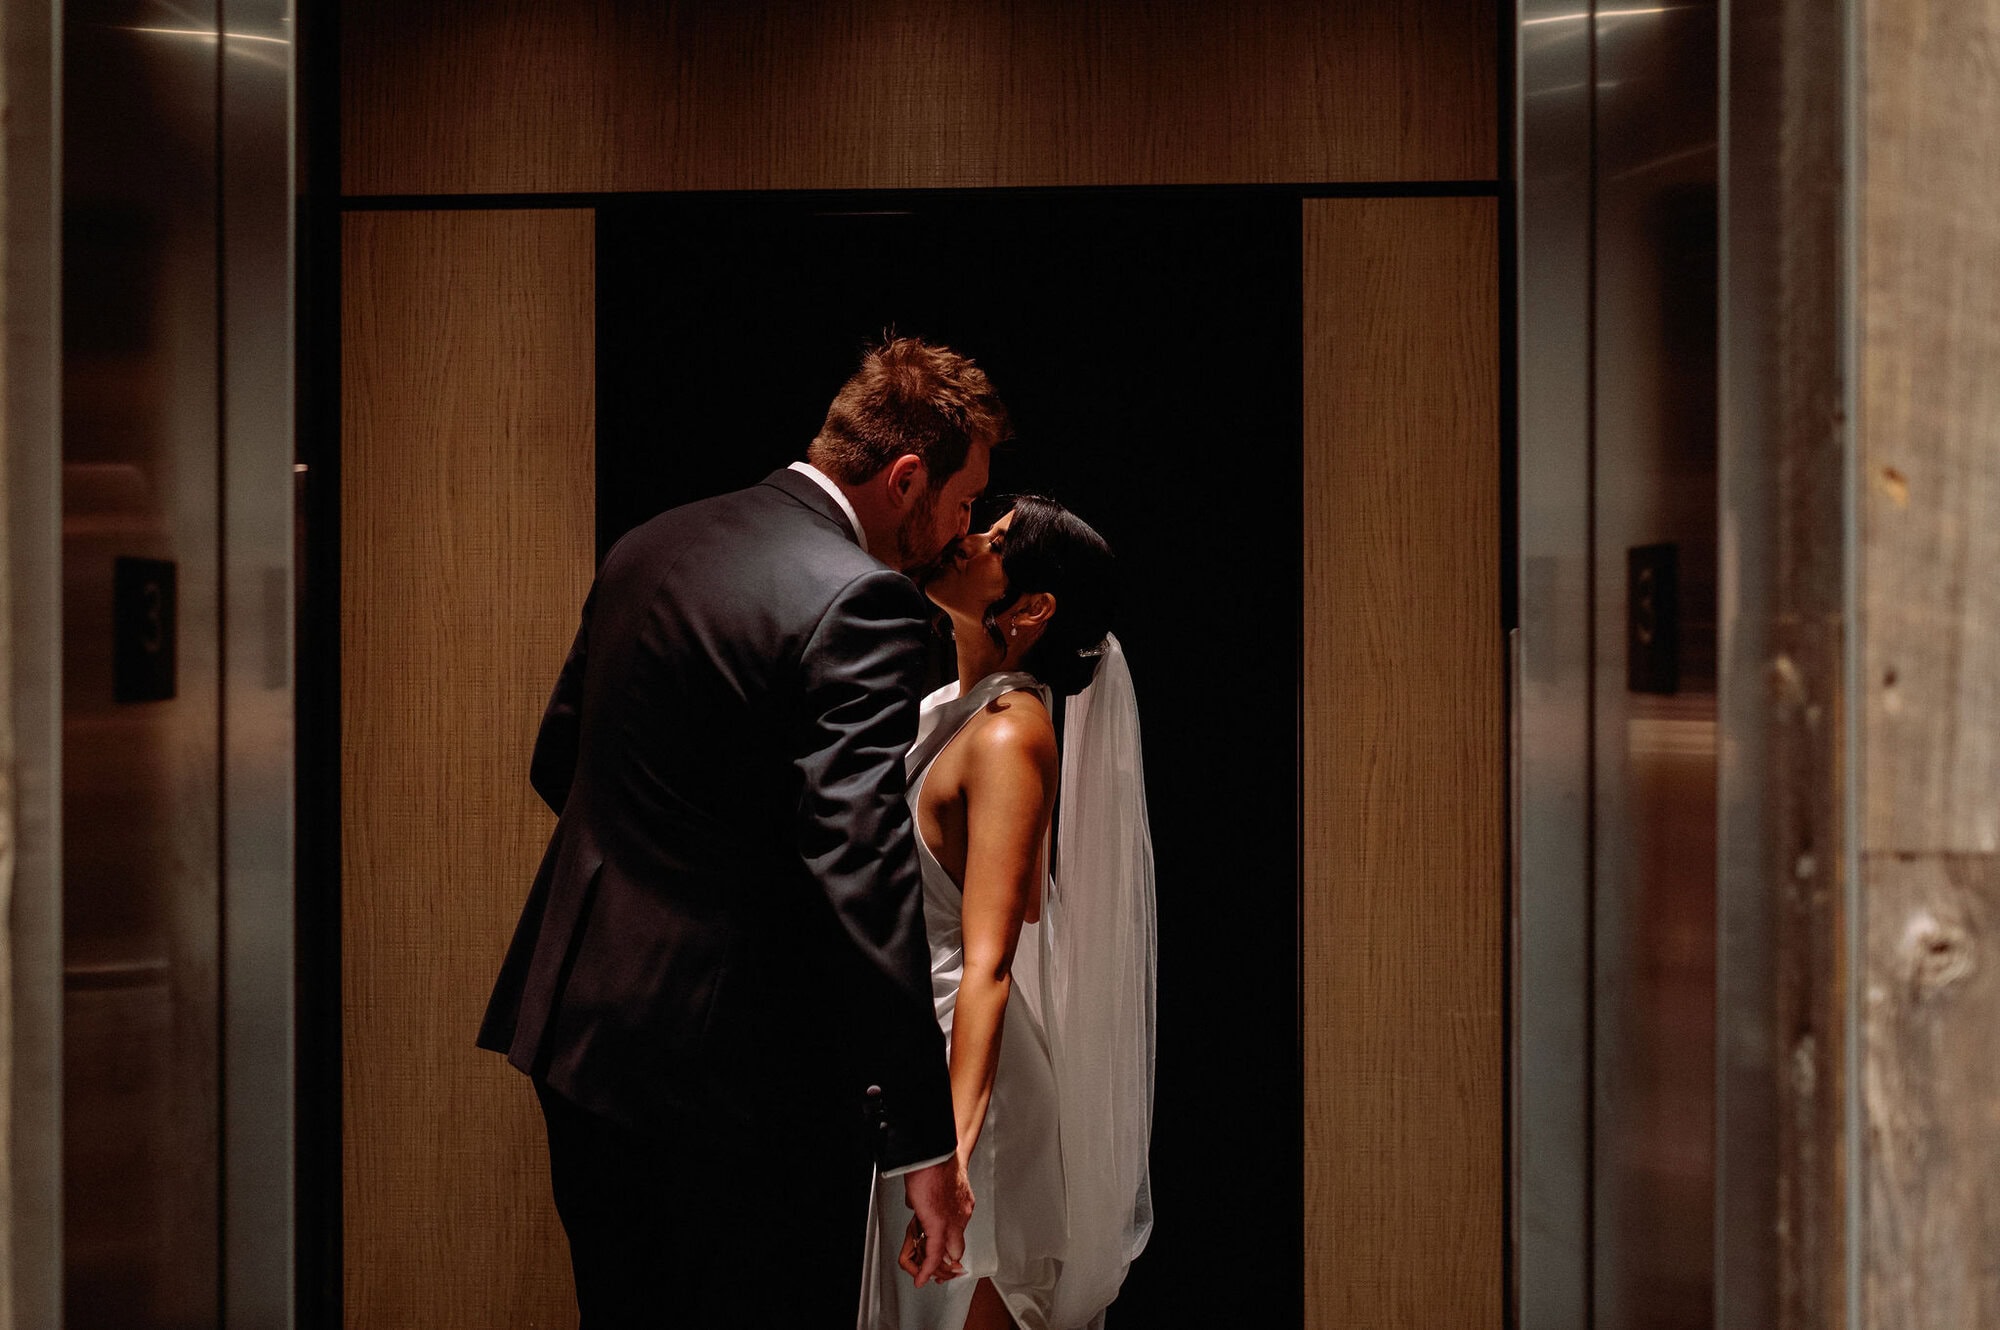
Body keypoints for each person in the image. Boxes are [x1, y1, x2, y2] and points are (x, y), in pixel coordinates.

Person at [477, 337, 1007, 1327]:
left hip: (577, 1037)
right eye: (961, 497)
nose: (961, 525)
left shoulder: (652, 540)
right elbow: (862, 876)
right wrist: (924, 1143)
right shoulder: (861, 600)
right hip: (734, 1086)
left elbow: (561, 759)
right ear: (903, 478)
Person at [859, 496, 1158, 1330]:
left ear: (1030, 608)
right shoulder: (949, 713)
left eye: (994, 540)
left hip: (968, 1071)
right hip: (924, 1050)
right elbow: (1021, 895)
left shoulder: (1008, 733)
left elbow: (991, 960)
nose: (965, 538)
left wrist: (952, 1153)